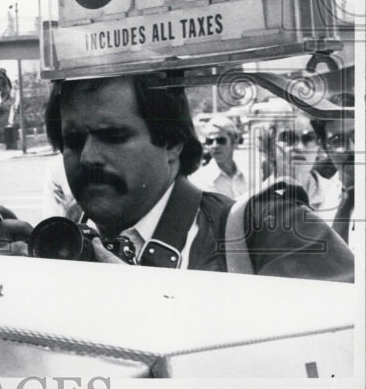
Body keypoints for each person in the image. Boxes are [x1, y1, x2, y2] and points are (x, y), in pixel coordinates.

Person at [42, 73, 353, 280]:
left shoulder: (275, 233)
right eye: (72, 141)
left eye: (114, 135)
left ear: (172, 144)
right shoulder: (61, 239)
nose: (87, 157)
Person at [309, 91, 356, 247]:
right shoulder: (323, 198)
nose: (352, 148)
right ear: (324, 147)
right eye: (338, 140)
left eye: (358, 135)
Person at [189, 115, 249, 198]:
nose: (215, 146)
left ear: (234, 141)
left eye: (220, 140)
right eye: (210, 141)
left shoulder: (250, 176)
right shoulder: (198, 181)